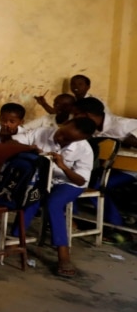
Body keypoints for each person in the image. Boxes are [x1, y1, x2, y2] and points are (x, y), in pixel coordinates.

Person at [18, 118, 97, 278]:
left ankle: (63, 254)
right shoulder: (42, 133)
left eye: (67, 139)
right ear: (64, 124)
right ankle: (15, 240)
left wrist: (63, 166)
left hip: (69, 183)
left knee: (54, 204)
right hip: (44, 179)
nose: (60, 139)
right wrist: (28, 148)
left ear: (80, 139)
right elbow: (14, 142)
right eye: (62, 133)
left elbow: (80, 180)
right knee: (30, 197)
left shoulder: (85, 149)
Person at [71, 97, 137, 227]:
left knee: (97, 186)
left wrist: (126, 141)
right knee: (76, 179)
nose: (74, 118)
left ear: (88, 115)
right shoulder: (91, 128)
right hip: (111, 168)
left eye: (77, 114)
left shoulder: (123, 124)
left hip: (132, 169)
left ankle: (116, 224)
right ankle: (72, 218)